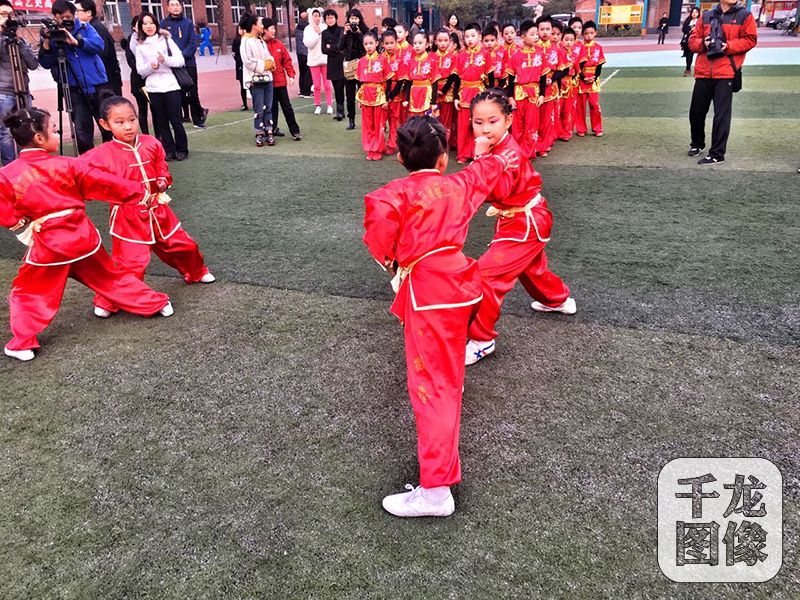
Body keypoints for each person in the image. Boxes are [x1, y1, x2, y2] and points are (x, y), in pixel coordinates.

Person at [362, 116, 516, 518]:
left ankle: (435, 491)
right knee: (443, 375)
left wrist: (398, 264)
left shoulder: (387, 197)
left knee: (430, 390)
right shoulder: (459, 184)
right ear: (444, 158)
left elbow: (379, 244)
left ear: (399, 157)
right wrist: (488, 145)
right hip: (460, 285)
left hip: (428, 292)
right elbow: (489, 168)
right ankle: (450, 394)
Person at [0, 107, 173, 361]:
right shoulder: (68, 164)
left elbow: (5, 209)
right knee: (110, 277)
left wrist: (17, 223)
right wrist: (140, 192)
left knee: (29, 292)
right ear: (39, 138)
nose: (58, 135)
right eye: (55, 131)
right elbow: (105, 183)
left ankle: (22, 342)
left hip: (50, 246)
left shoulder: (7, 174)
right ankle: (157, 304)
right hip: (83, 239)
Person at [464, 90, 575, 366]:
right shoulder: (497, 148)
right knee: (531, 267)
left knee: (485, 276)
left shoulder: (508, 154)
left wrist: (479, 159)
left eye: (493, 121)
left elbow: (493, 191)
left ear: (508, 121)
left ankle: (481, 340)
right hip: (522, 218)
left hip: (524, 222)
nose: (485, 128)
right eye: (478, 122)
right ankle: (557, 300)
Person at [81, 93, 214, 318]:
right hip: (128, 216)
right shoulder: (101, 154)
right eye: (119, 122)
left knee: (183, 245)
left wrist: (163, 179)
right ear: (105, 124)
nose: (128, 126)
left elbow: (160, 165)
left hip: (158, 209)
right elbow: (77, 173)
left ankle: (196, 271)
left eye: (132, 120)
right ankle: (109, 300)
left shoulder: (151, 143)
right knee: (130, 263)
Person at [688, 0, 757, 165]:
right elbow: (692, 41)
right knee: (696, 113)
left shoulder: (745, 15)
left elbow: (751, 40)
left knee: (721, 116)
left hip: (726, 72)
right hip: (704, 72)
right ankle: (697, 143)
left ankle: (717, 153)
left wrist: (729, 46)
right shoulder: (706, 15)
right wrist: (702, 44)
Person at [38, 0, 108, 155]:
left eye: (69, 16)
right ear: (55, 16)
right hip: (73, 87)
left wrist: (77, 41)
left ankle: (112, 158)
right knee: (82, 130)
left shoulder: (84, 27)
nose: (66, 20)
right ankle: (87, 163)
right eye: (62, 17)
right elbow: (45, 63)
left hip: (96, 84)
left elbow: (99, 45)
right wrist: (48, 42)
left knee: (107, 125)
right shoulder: (50, 33)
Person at [135, 12, 188, 161]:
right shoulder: (139, 45)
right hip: (153, 88)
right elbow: (140, 71)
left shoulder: (165, 39)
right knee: (161, 121)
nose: (148, 26)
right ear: (140, 27)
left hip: (171, 85)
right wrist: (151, 67)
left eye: (151, 23)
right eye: (144, 23)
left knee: (176, 120)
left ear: (156, 24)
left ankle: (182, 149)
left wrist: (165, 60)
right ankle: (169, 150)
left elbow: (180, 61)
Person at [0, 0, 37, 165]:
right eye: (2, 14)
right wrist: (3, 38)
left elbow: (33, 64)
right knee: (6, 133)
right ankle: (9, 168)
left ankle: (26, 165)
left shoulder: (19, 40)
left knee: (26, 129)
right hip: (3, 93)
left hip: (23, 90)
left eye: (9, 14)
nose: (7, 18)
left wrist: (18, 42)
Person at [161, 0, 208, 129]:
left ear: (181, 7)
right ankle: (177, 119)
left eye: (177, 5)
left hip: (188, 63)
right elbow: (161, 43)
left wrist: (180, 57)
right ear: (168, 8)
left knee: (192, 92)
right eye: (172, 5)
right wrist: (170, 59)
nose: (175, 8)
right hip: (171, 65)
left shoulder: (187, 23)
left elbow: (192, 44)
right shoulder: (164, 23)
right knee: (176, 93)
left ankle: (198, 119)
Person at [506, 19, 544, 160]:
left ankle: (529, 153)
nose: (536, 37)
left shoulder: (540, 55)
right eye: (532, 34)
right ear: (522, 37)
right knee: (517, 125)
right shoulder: (515, 56)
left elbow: (543, 76)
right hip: (519, 93)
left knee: (532, 124)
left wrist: (542, 95)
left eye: (536, 34)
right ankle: (517, 152)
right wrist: (510, 97)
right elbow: (510, 79)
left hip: (534, 93)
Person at [453, 22, 491, 163]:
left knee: (479, 125)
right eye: (467, 36)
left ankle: (479, 153)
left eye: (473, 36)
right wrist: (456, 97)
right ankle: (462, 154)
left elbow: (490, 78)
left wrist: (490, 95)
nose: (469, 39)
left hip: (479, 92)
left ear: (479, 36)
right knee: (463, 126)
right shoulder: (460, 56)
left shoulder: (486, 55)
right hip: (464, 92)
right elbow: (456, 78)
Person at [240, 13, 275, 148]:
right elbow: (248, 61)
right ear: (254, 26)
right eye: (260, 23)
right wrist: (264, 64)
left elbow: (269, 56)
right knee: (259, 107)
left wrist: (269, 62)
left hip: (267, 78)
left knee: (269, 106)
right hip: (256, 80)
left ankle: (269, 130)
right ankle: (259, 132)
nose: (262, 26)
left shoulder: (260, 40)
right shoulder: (246, 41)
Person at [74, 0, 121, 96]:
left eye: (77, 11)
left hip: (106, 81)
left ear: (88, 12)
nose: (75, 15)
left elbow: (101, 55)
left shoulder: (96, 28)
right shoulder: (87, 27)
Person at [355, 31, 390, 160]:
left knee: (379, 123)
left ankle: (378, 149)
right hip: (366, 95)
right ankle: (370, 149)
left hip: (379, 95)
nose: (368, 46)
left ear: (376, 43)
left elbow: (388, 80)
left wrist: (387, 98)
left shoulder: (382, 59)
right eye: (366, 44)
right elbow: (359, 82)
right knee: (368, 124)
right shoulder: (362, 61)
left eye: (371, 43)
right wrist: (359, 99)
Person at [263, 19, 300, 141]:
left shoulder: (278, 44)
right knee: (271, 108)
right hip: (267, 83)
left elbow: (287, 61)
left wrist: (291, 75)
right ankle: (271, 130)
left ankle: (295, 131)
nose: (274, 30)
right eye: (272, 28)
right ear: (265, 30)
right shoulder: (260, 45)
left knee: (287, 107)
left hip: (280, 82)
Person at [338, 8, 369, 130]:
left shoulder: (365, 30)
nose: (354, 21)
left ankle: (367, 119)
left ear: (360, 19)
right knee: (350, 95)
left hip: (362, 63)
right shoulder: (345, 30)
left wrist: (359, 33)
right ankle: (351, 120)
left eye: (356, 18)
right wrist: (345, 33)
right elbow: (340, 47)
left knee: (365, 93)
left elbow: (368, 46)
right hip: (350, 64)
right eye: (352, 18)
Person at [120, 16, 152, 133]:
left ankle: (160, 135)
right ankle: (145, 134)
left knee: (157, 109)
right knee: (142, 110)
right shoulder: (131, 41)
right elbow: (132, 62)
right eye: (139, 24)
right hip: (139, 81)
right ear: (134, 27)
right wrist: (146, 69)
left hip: (153, 80)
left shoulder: (152, 39)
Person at [576, 21, 605, 137]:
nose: (589, 35)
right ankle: (581, 129)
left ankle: (597, 128)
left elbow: (600, 64)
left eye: (591, 33)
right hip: (581, 79)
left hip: (593, 80)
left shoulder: (598, 47)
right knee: (580, 106)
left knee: (594, 105)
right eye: (586, 33)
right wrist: (583, 77)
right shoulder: (579, 47)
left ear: (595, 33)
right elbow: (576, 64)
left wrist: (595, 77)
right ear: (583, 34)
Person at [303, 9, 333, 116]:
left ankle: (330, 105)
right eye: (315, 16)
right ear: (311, 16)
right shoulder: (308, 29)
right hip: (314, 60)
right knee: (316, 85)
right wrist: (317, 34)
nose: (317, 18)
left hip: (325, 59)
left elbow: (330, 40)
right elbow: (308, 44)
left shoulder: (325, 27)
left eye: (319, 16)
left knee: (328, 84)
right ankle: (318, 105)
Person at [381, 29, 405, 155]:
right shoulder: (379, 59)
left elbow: (401, 80)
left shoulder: (400, 60)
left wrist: (393, 94)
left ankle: (392, 144)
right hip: (381, 93)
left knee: (394, 119)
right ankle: (379, 144)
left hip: (395, 94)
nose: (389, 46)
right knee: (381, 120)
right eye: (387, 43)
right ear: (382, 44)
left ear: (396, 42)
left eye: (392, 43)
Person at [402, 32, 437, 117]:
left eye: (420, 43)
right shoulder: (411, 62)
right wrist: (406, 99)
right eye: (415, 43)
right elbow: (408, 83)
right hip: (414, 94)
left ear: (427, 44)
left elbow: (435, 83)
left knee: (427, 117)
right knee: (414, 118)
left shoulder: (432, 61)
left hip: (426, 93)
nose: (417, 46)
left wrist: (433, 102)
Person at [433, 28, 457, 149]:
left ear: (449, 41)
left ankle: (444, 145)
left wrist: (443, 90)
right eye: (440, 40)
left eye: (445, 40)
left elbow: (453, 76)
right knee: (434, 118)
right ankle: (434, 144)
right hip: (433, 93)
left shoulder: (453, 57)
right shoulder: (431, 57)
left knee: (447, 120)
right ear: (435, 41)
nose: (443, 43)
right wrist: (435, 90)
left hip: (447, 92)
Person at [321, 9, 345, 121]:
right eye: (327, 18)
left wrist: (332, 46)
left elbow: (342, 46)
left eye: (331, 17)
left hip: (341, 61)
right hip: (331, 62)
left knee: (341, 85)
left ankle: (341, 110)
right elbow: (323, 49)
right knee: (336, 87)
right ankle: (340, 110)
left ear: (335, 18)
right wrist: (334, 48)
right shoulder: (324, 33)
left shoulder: (342, 30)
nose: (329, 20)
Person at [557, 28, 580, 141]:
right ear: (561, 40)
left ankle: (566, 132)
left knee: (567, 110)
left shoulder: (575, 55)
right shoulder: (558, 53)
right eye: (566, 39)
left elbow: (577, 71)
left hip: (569, 85)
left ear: (575, 41)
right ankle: (557, 132)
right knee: (558, 109)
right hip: (558, 85)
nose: (568, 42)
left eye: (571, 40)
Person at [295, 11, 312, 97]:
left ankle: (301, 90)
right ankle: (306, 91)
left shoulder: (297, 27)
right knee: (308, 73)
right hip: (307, 53)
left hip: (299, 53)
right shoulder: (308, 28)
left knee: (302, 72)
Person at [681, 7, 701, 76]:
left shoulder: (700, 21)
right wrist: (690, 30)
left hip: (698, 40)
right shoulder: (688, 20)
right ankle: (688, 69)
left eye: (696, 12)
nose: (694, 13)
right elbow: (684, 29)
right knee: (689, 55)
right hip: (688, 41)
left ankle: (699, 70)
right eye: (693, 12)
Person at [231, 26, 247, 110]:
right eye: (240, 29)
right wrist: (239, 61)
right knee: (242, 85)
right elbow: (234, 53)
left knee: (251, 84)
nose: (242, 31)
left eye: (243, 29)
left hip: (248, 65)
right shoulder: (236, 40)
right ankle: (245, 103)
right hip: (240, 65)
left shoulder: (248, 40)